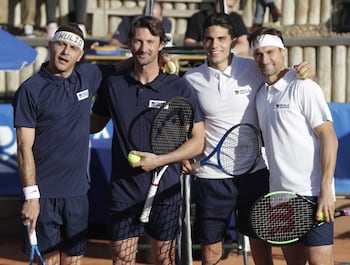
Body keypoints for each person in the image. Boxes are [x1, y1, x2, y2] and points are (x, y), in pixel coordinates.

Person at [182, 13, 314, 265]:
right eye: (209, 39)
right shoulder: (191, 79)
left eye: (221, 38)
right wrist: (183, 154)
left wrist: (308, 72)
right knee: (211, 251)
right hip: (211, 178)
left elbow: (289, 80)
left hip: (254, 174)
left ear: (233, 42)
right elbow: (187, 124)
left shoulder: (253, 69)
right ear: (202, 41)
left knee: (262, 244)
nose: (214, 45)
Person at [90, 16, 205, 265]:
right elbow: (93, 124)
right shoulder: (113, 84)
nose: (143, 48)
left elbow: (197, 141)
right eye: (138, 41)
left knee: (164, 259)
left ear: (161, 44)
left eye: (150, 42)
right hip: (123, 191)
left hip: (167, 191)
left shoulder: (179, 87)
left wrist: (161, 160)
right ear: (129, 43)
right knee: (122, 259)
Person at [12, 23, 113, 265]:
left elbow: (126, 66)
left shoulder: (89, 75)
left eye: (72, 48)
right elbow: (24, 149)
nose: (65, 52)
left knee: (74, 261)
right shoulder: (30, 90)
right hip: (43, 197)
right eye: (61, 44)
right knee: (49, 261)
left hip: (78, 194)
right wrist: (31, 197)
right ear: (50, 46)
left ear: (80, 55)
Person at [249, 27, 338, 265]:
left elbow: (329, 137)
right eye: (258, 54)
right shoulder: (259, 96)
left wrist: (326, 189)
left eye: (270, 52)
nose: (265, 59)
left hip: (313, 193)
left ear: (282, 52)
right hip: (280, 196)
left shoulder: (304, 86)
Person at [183, 0, 249, 57]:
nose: (226, 9)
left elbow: (244, 45)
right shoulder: (198, 17)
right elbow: (188, 42)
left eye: (230, 6)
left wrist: (224, 51)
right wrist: (203, 46)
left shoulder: (236, 18)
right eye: (223, 5)